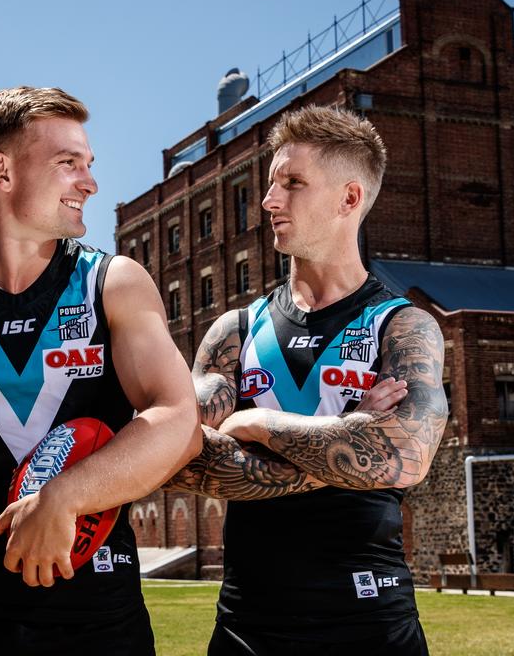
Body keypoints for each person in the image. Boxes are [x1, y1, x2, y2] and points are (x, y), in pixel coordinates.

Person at [0, 86, 200, 655]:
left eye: (88, 164)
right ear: (2, 171)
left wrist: (64, 497)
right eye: (68, 163)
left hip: (96, 609)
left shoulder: (113, 282)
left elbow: (179, 421)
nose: (90, 182)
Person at [166, 105, 449, 655]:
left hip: (370, 621)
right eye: (271, 184)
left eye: (292, 183)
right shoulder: (236, 331)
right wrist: (347, 439)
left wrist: (257, 422)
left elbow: (406, 458)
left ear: (349, 198)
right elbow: (183, 456)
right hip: (249, 625)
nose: (269, 201)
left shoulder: (403, 326)